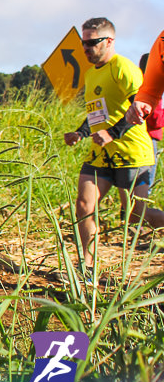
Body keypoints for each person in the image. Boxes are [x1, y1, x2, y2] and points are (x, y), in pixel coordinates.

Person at [63, 18, 164, 277]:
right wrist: (81, 132)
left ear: (109, 42)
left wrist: (113, 133)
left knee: (136, 216)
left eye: (92, 42)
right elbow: (97, 113)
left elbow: (140, 108)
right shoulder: (90, 73)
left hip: (132, 153)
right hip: (100, 156)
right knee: (84, 205)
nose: (86, 48)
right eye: (83, 43)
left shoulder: (125, 68)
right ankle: (87, 267)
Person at [136, 52, 164, 189]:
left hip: (139, 137)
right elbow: (156, 120)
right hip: (148, 138)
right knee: (146, 183)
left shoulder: (138, 84)